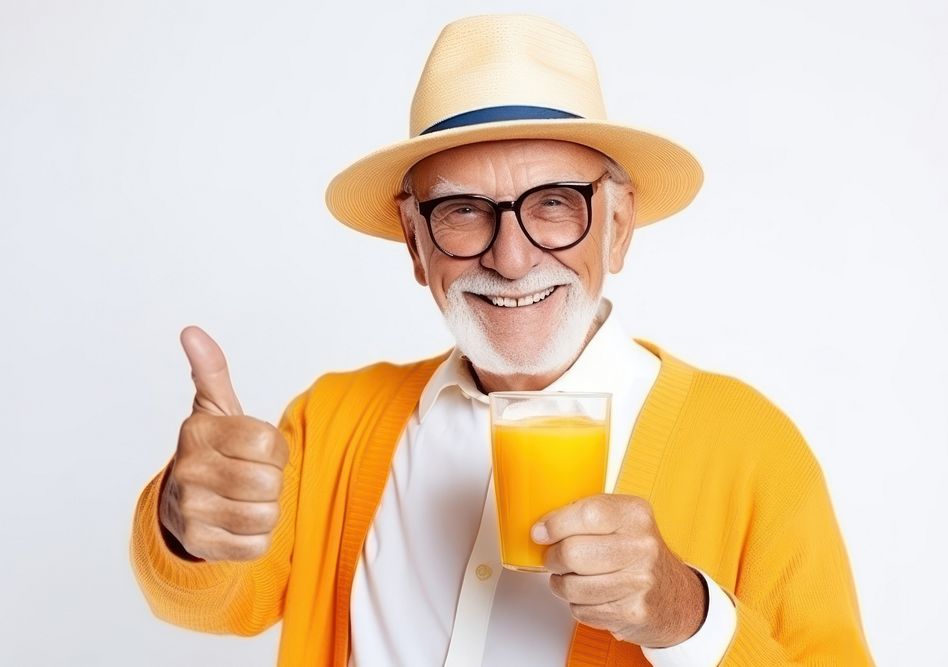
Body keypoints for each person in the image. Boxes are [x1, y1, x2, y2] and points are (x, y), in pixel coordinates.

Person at [129, 14, 874, 667]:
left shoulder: (750, 450)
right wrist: (182, 517)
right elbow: (214, 599)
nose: (511, 258)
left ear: (618, 226)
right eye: (461, 211)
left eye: (554, 204)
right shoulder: (333, 422)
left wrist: (690, 617)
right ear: (416, 244)